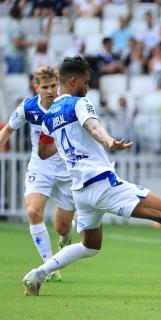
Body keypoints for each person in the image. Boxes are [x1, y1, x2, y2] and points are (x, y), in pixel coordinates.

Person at [21, 56, 161, 297]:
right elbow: (93, 126)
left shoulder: (49, 115)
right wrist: (108, 142)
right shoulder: (79, 103)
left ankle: (38, 274)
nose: (88, 87)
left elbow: (43, 152)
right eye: (85, 81)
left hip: (80, 192)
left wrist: (68, 145)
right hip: (101, 182)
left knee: (89, 247)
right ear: (73, 81)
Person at [0, 67, 75, 282]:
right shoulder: (28, 107)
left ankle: (66, 234)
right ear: (37, 88)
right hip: (40, 167)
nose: (50, 91)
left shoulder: (68, 106)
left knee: (61, 226)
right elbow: (7, 130)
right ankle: (50, 266)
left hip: (66, 171)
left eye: (53, 86)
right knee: (33, 212)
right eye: (45, 87)